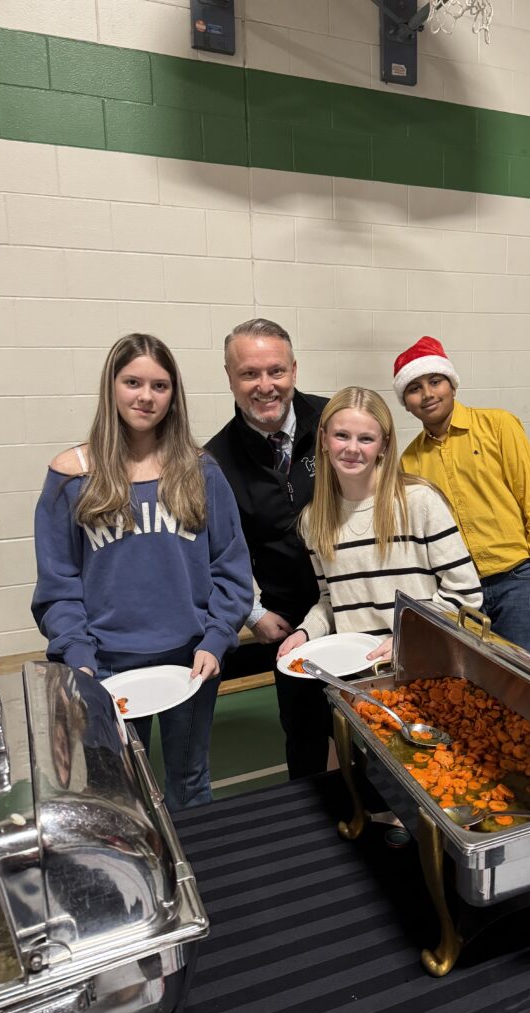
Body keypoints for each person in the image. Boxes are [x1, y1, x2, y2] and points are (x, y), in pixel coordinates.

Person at [32, 333, 253, 811]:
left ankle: (201, 878)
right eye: (133, 382)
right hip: (104, 664)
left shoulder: (200, 471)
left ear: (174, 395)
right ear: (111, 386)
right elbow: (58, 585)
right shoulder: (72, 475)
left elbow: (231, 570)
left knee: (190, 783)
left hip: (190, 659)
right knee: (116, 793)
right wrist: (78, 656)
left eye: (160, 385)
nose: (146, 397)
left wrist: (216, 639)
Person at [276, 386, 484, 664]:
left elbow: (465, 594)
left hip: (422, 664)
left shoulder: (419, 502)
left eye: (366, 438)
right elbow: (331, 599)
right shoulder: (314, 519)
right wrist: (306, 632)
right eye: (341, 436)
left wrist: (407, 637)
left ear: (384, 446)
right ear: (324, 440)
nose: (352, 448)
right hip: (358, 672)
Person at [205, 318, 330, 779]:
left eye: (276, 371)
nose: (265, 386)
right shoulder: (215, 460)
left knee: (374, 725)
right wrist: (251, 614)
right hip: (289, 617)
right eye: (249, 374)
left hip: (360, 604)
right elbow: (213, 554)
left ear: (294, 370)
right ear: (230, 378)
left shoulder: (335, 423)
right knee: (305, 732)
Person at [394, 336, 530, 655]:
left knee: (523, 683)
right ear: (406, 402)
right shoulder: (410, 461)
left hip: (516, 582)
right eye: (415, 388)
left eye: (435, 381)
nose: (428, 394)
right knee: (475, 686)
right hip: (459, 592)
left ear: (452, 385)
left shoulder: (499, 425)